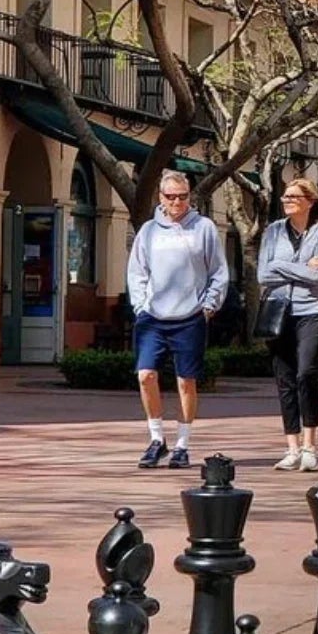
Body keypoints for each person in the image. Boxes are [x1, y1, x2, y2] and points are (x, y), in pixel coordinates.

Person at [126, 170, 228, 470]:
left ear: (189, 196)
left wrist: (208, 306)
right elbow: (137, 272)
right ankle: (157, 438)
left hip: (190, 317)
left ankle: (183, 444)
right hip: (153, 317)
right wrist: (140, 306)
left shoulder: (204, 228)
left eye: (182, 197)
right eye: (170, 197)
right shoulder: (148, 231)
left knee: (186, 381)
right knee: (145, 375)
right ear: (161, 197)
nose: (177, 202)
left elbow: (219, 272)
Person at [257, 178, 318, 472]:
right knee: (285, 379)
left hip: (311, 310)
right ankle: (292, 448)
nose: (287, 200)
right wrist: (298, 269)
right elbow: (263, 275)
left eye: (293, 196)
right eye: (285, 196)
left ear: (309, 201)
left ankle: (309, 446)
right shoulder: (273, 231)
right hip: (278, 311)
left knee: (306, 373)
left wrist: (280, 266)